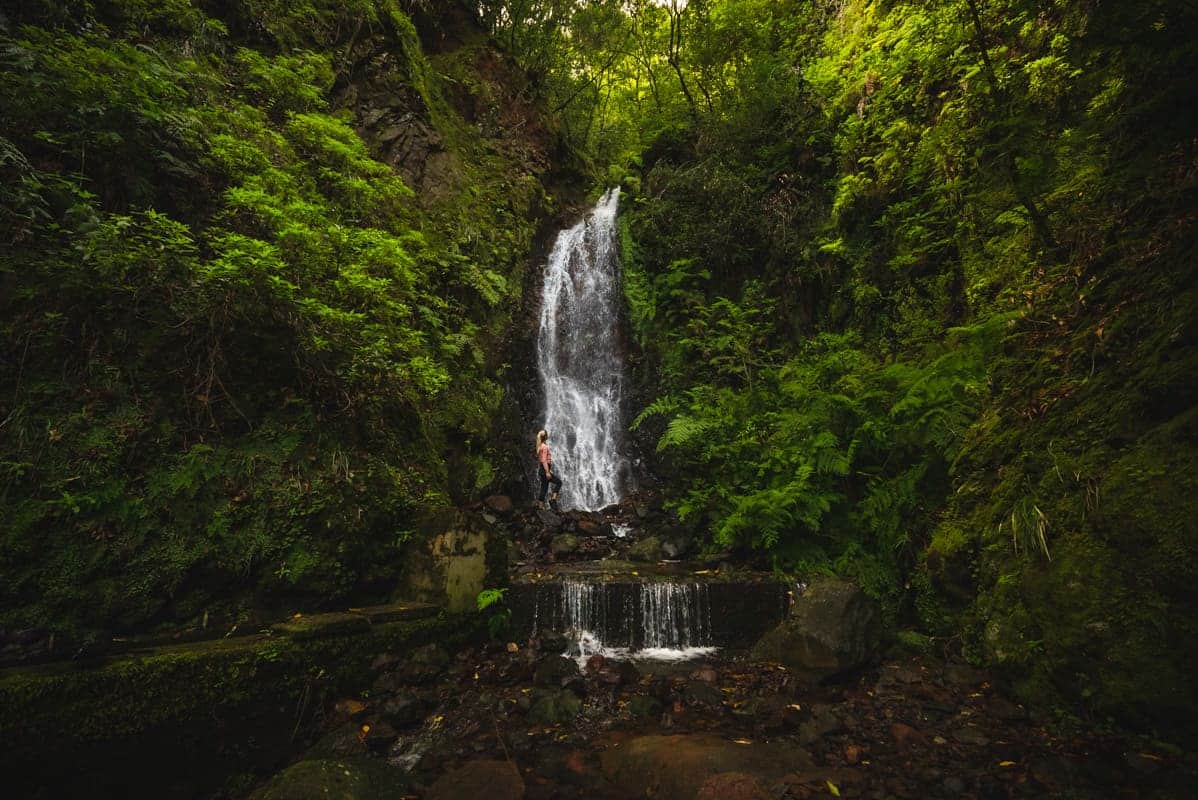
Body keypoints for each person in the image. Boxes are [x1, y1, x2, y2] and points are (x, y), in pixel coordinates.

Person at [535, 429, 562, 508]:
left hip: (541, 470)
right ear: (546, 437)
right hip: (544, 469)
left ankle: (540, 507)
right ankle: (553, 500)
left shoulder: (539, 446)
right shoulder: (545, 447)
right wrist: (547, 472)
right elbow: (544, 460)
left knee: (544, 488)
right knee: (559, 482)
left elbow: (541, 460)